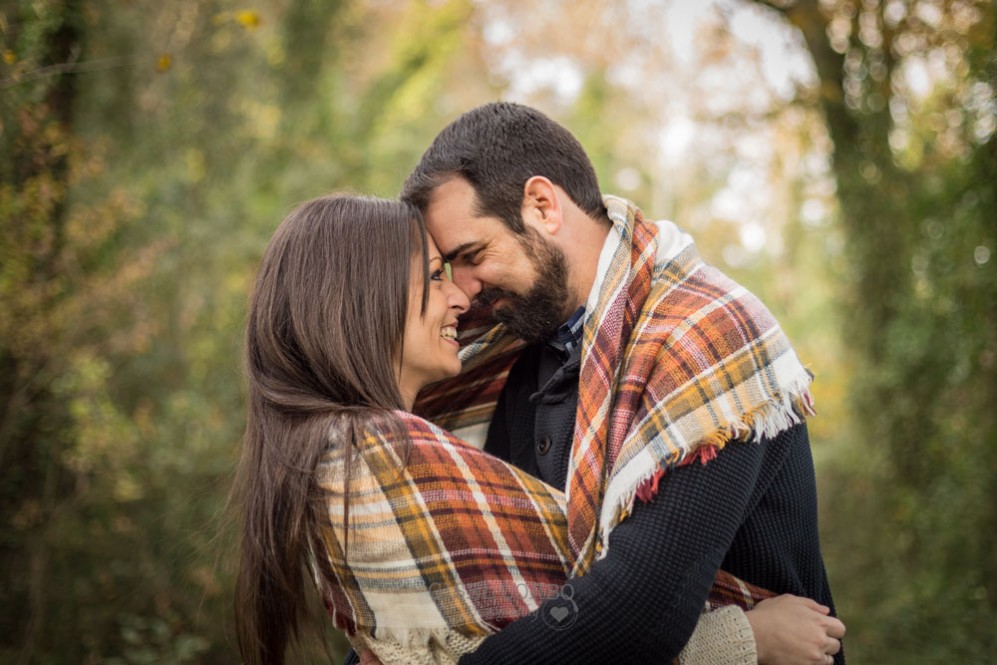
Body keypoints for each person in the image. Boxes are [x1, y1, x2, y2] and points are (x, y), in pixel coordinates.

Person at [233, 194, 845, 665]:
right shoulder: (372, 456)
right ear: (362, 298)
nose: (462, 298)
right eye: (438, 273)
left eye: (466, 261)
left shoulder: (373, 437)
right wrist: (739, 640)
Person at [400, 102, 845, 664]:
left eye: (473, 255)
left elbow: (639, 610)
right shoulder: (520, 355)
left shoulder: (706, 338)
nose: (463, 292)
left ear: (542, 205)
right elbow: (516, 581)